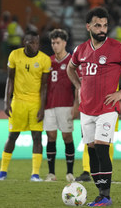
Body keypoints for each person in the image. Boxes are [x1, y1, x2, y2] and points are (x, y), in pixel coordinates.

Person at [66, 7, 121, 206]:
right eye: (98, 25)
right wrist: (78, 86)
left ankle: (106, 195)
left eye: (105, 25)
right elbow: (70, 68)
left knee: (102, 148)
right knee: (91, 150)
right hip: (86, 109)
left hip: (107, 109)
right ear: (88, 27)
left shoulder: (118, 48)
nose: (102, 29)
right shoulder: (80, 50)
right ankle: (101, 193)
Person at [0, 31, 51, 182]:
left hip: (35, 103)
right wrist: (6, 101)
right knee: (12, 136)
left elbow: (44, 86)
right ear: (25, 43)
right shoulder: (14, 55)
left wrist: (42, 107)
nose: (35, 45)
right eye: (32, 43)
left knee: (37, 137)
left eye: (37, 42)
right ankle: (2, 172)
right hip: (18, 102)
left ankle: (35, 174)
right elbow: (10, 79)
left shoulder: (44, 60)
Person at [75, 67, 121, 182]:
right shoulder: (89, 56)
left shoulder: (117, 57)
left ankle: (105, 171)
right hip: (90, 106)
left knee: (107, 141)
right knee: (89, 140)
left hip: (109, 107)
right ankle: (86, 171)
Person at [43, 29, 76, 182]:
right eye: (52, 43)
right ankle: (51, 173)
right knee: (51, 137)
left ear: (64, 43)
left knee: (66, 136)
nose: (55, 46)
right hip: (49, 105)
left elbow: (78, 86)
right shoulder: (47, 61)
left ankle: (70, 172)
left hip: (66, 105)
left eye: (57, 43)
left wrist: (77, 105)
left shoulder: (72, 62)